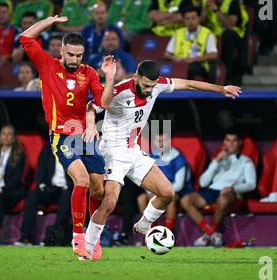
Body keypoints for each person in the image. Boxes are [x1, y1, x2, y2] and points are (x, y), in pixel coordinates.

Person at [84, 60, 241, 260]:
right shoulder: (120, 90)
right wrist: (90, 125)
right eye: (146, 85)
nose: (150, 90)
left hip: (133, 151)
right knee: (109, 202)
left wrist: (221, 89)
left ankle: (144, 225)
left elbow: (189, 84)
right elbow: (93, 105)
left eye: (153, 85)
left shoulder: (157, 85)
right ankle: (88, 248)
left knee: (167, 193)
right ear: (136, 78)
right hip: (112, 152)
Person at [20, 15, 116, 259]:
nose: (75, 59)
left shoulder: (90, 73)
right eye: (71, 54)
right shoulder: (47, 65)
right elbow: (25, 37)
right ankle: (78, 238)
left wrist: (110, 77)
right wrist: (49, 21)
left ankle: (93, 239)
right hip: (62, 136)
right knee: (81, 180)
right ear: (62, 51)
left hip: (85, 136)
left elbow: (103, 103)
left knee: (98, 190)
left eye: (79, 55)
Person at [180, 130, 256, 247]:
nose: (230, 144)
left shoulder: (246, 161)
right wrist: (216, 162)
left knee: (223, 199)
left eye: (234, 141)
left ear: (239, 143)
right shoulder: (218, 159)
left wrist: (233, 188)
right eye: (228, 140)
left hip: (230, 191)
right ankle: (211, 233)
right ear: (224, 142)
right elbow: (203, 182)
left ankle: (211, 234)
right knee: (185, 200)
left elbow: (251, 184)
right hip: (212, 190)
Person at [14, 144, 73, 246]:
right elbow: (40, 170)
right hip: (49, 188)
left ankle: (54, 237)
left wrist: (68, 186)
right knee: (32, 196)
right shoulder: (48, 149)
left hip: (66, 189)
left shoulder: (73, 150)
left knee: (66, 197)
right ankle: (26, 237)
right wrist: (42, 185)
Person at [137, 132, 193, 232]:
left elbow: (179, 185)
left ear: (170, 141)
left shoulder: (177, 157)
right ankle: (151, 231)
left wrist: (161, 193)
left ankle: (167, 232)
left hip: (175, 192)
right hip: (155, 191)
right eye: (158, 141)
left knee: (169, 198)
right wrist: (151, 192)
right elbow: (145, 179)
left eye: (164, 141)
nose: (161, 144)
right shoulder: (150, 157)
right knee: (141, 198)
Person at [164, 6, 218, 82]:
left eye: (193, 18)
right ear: (184, 20)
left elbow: (213, 55)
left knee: (191, 68)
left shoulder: (207, 34)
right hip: (180, 64)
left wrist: (193, 59)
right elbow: (167, 54)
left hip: (199, 65)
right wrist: (177, 59)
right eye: (187, 19)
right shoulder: (178, 33)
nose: (190, 22)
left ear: (198, 18)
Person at [202, 0, 249, 85]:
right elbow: (199, 22)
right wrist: (205, 10)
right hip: (213, 36)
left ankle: (228, 77)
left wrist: (216, 10)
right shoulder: (207, 3)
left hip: (234, 37)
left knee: (228, 36)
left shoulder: (232, 3)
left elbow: (229, 25)